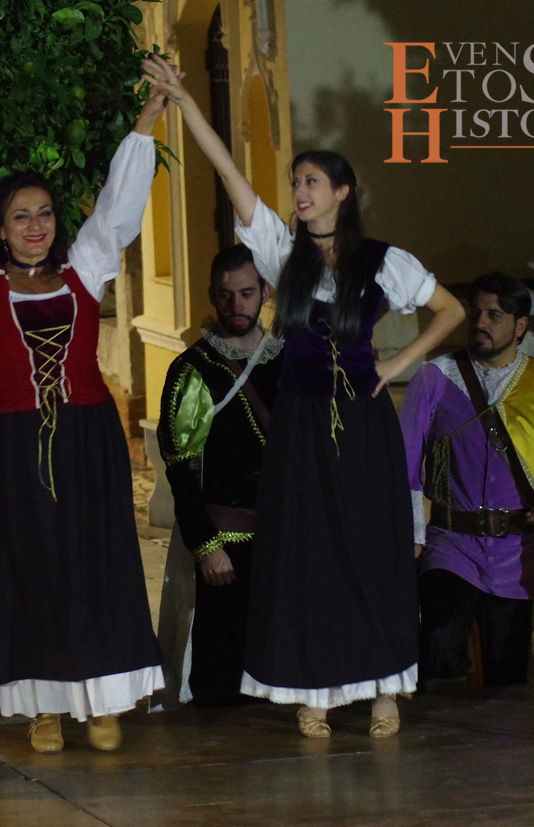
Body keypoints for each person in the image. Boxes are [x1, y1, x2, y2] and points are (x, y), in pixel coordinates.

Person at [142, 55, 465, 738]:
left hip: (362, 423)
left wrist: (397, 361)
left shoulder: (383, 261)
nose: (299, 191)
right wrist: (184, 103)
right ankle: (313, 691)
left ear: (343, 191)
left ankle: (383, 688)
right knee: (307, 554)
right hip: (299, 425)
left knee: (370, 549)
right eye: (295, 182)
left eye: (311, 181)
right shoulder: (279, 254)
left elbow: (451, 310)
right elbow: (229, 174)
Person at [0, 92, 169, 753]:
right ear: (1, 230)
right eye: (20, 216)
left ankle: (102, 700)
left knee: (95, 560)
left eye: (45, 213)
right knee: (29, 563)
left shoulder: (85, 269)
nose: (35, 225)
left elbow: (118, 209)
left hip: (87, 436)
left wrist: (145, 124)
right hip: (14, 440)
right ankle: (43, 706)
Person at [400, 273, 534, 686]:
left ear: (520, 325)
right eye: (475, 312)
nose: (480, 322)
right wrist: (412, 538)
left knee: (510, 675)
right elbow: (404, 463)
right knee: (438, 645)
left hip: (519, 557)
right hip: (452, 546)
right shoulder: (434, 377)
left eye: (494, 315)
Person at [154, 244, 283, 709]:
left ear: (265, 291)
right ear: (212, 295)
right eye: (226, 295)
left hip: (285, 544)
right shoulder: (192, 370)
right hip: (226, 551)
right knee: (223, 688)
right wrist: (207, 546)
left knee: (280, 681)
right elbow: (181, 468)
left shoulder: (291, 362)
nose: (236, 305)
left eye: (247, 293)